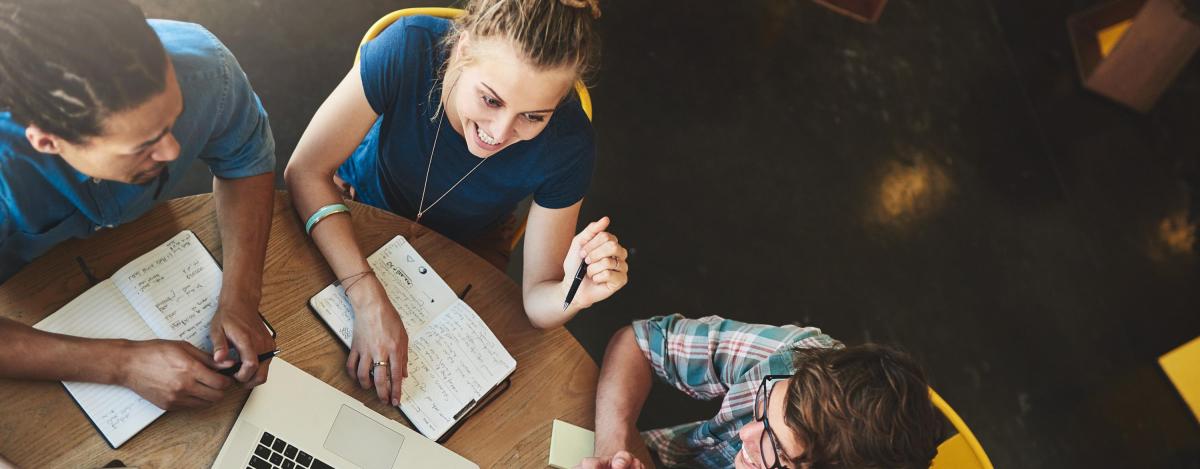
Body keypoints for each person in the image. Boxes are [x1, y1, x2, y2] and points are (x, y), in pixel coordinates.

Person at [284, 0, 629, 408]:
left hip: (466, 248)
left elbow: (538, 302)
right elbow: (305, 172)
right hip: (359, 199)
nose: (499, 134)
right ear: (462, 49)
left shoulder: (569, 146)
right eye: (491, 100)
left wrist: (576, 293)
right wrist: (365, 294)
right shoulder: (407, 48)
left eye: (534, 117)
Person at [0, 0, 277, 409]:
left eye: (173, 119)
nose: (173, 149)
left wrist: (240, 297)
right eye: (145, 146)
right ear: (46, 141)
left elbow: (245, 160)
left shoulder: (204, 68)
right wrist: (122, 364)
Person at [581, 315, 944, 469]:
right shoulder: (795, 357)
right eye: (765, 410)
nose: (745, 434)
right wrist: (615, 446)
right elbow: (642, 341)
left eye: (777, 450)